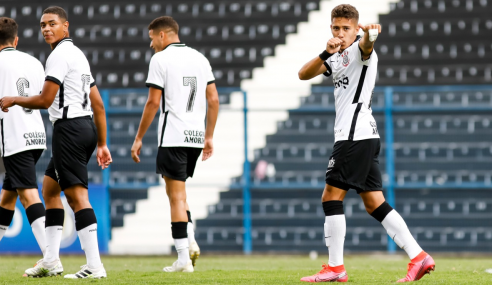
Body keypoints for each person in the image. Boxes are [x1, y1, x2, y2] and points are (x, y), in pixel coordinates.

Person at [297, 4, 435, 283]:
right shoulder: (335, 57)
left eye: (346, 28)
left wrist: (370, 36)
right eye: (336, 27)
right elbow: (303, 74)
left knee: (330, 197)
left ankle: (336, 267)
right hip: (364, 136)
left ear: (355, 29)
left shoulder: (361, 51)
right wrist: (327, 51)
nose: (340, 33)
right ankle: (419, 257)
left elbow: (368, 46)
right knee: (375, 203)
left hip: (354, 136)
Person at [0, 6, 112, 279]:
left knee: (76, 197)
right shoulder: (77, 55)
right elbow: (97, 102)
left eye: (52, 24)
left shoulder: (59, 56)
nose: (47, 29)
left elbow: (45, 100)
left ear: (66, 26)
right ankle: (50, 260)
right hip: (83, 127)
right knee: (50, 191)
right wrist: (102, 143)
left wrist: (14, 99)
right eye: (42, 25)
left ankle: (95, 266)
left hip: (69, 129)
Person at [131, 16, 219, 273]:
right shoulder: (200, 58)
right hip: (194, 136)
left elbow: (152, 103)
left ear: (162, 36)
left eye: (151, 39)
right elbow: (213, 100)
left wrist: (138, 138)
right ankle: (189, 242)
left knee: (175, 198)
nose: (151, 46)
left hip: (173, 136)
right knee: (179, 194)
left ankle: (183, 259)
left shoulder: (160, 59)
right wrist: (209, 136)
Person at [0, 17, 48, 272]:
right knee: (7, 198)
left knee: (29, 195)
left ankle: (51, 257)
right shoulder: (34, 62)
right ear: (16, 40)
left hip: (13, 137)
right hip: (36, 136)